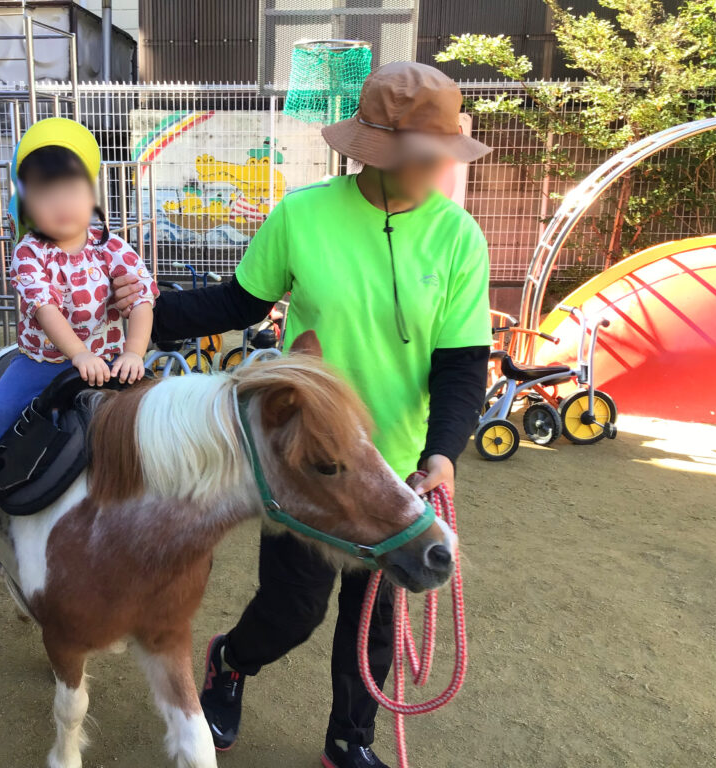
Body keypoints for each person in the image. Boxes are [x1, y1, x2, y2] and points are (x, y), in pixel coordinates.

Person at [111, 63, 492, 768]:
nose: (436, 167)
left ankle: (351, 742)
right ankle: (230, 661)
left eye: (444, 152)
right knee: (292, 612)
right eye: (422, 155)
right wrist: (135, 317)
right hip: (305, 460)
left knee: (373, 623)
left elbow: (463, 362)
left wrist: (443, 452)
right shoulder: (304, 214)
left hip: (397, 464)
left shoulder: (458, 237)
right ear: (376, 153)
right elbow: (237, 304)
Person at [0, 117, 158, 553]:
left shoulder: (111, 245)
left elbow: (141, 301)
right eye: (45, 195)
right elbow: (46, 310)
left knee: (158, 416)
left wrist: (134, 351)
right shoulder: (30, 252)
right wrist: (78, 355)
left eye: (71, 192)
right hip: (45, 363)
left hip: (111, 360)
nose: (61, 205)